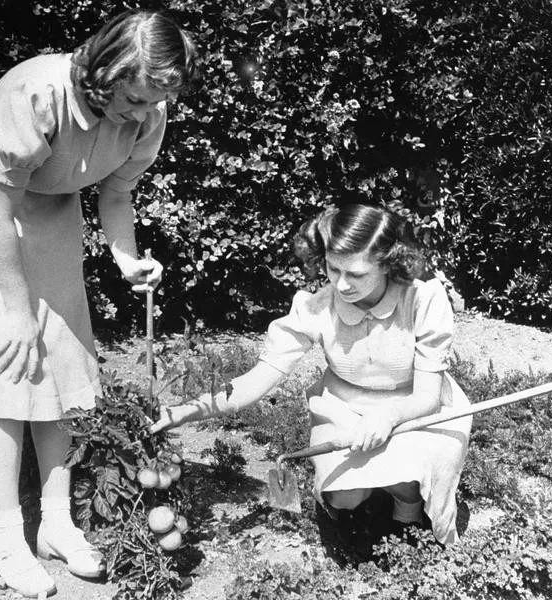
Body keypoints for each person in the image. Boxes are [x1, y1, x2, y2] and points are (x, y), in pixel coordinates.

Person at [0, 10, 197, 597]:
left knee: (61, 353)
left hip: (50, 202)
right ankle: (5, 533)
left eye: (153, 101)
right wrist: (14, 310)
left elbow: (115, 192)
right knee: (13, 359)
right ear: (105, 72)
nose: (141, 113)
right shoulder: (35, 91)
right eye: (132, 98)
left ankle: (56, 521)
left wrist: (126, 256)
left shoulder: (147, 112)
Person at [152, 204, 472, 545]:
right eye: (334, 269)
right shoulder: (317, 307)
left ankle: (406, 510)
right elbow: (256, 380)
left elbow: (427, 396)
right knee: (344, 496)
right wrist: (186, 411)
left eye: (357, 274)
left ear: (387, 263)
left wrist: (390, 415)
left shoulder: (422, 300)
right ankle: (366, 498)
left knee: (411, 476)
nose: (343, 285)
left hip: (415, 406)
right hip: (346, 404)